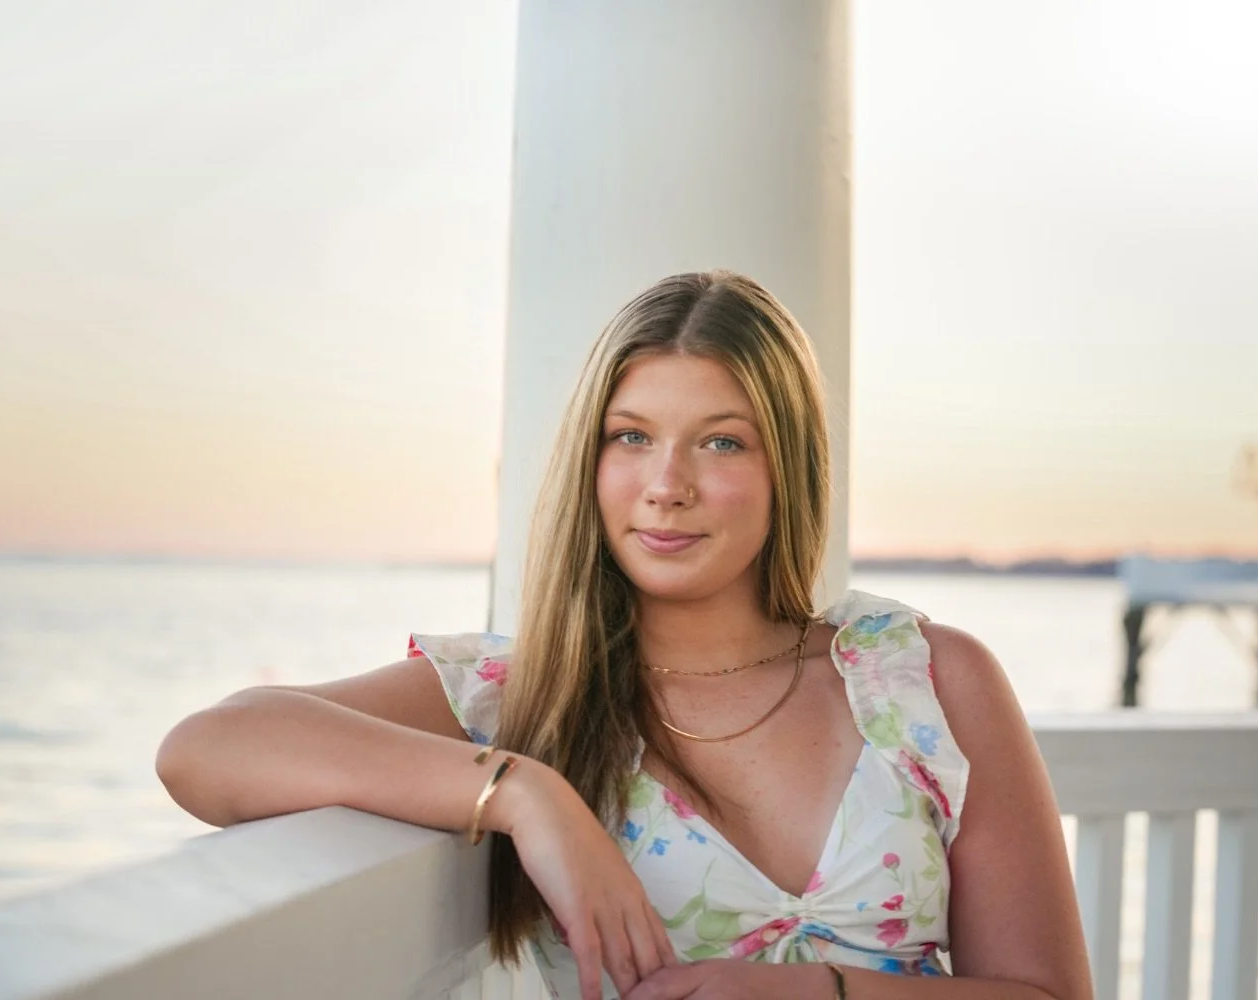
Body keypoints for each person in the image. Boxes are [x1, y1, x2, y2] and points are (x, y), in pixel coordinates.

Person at [157, 271, 1093, 1000]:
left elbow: (1048, 994)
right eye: (631, 436)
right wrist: (528, 796)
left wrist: (816, 991)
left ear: (788, 466)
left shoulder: (923, 680)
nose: (666, 485)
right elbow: (209, 748)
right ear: (590, 459)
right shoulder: (520, 701)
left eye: (722, 442)